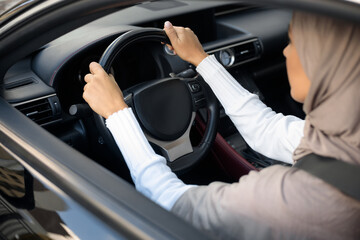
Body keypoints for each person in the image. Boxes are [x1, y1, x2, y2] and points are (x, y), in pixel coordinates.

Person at [82, 11, 360, 239]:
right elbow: (267, 130)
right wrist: (202, 61)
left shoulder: (295, 200)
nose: (286, 51)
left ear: (323, 63)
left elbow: (170, 205)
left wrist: (117, 113)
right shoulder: (342, 134)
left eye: (294, 42)